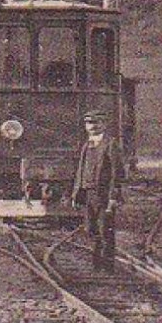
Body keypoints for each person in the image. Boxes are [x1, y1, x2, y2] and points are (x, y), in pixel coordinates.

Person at [72, 109, 125, 272]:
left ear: (104, 124)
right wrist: (76, 194)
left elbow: (118, 173)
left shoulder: (110, 144)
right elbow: (81, 170)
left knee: (105, 230)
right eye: (89, 123)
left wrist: (114, 197)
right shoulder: (87, 144)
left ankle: (107, 267)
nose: (92, 126)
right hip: (89, 194)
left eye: (96, 123)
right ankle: (96, 265)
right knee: (91, 229)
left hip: (104, 195)